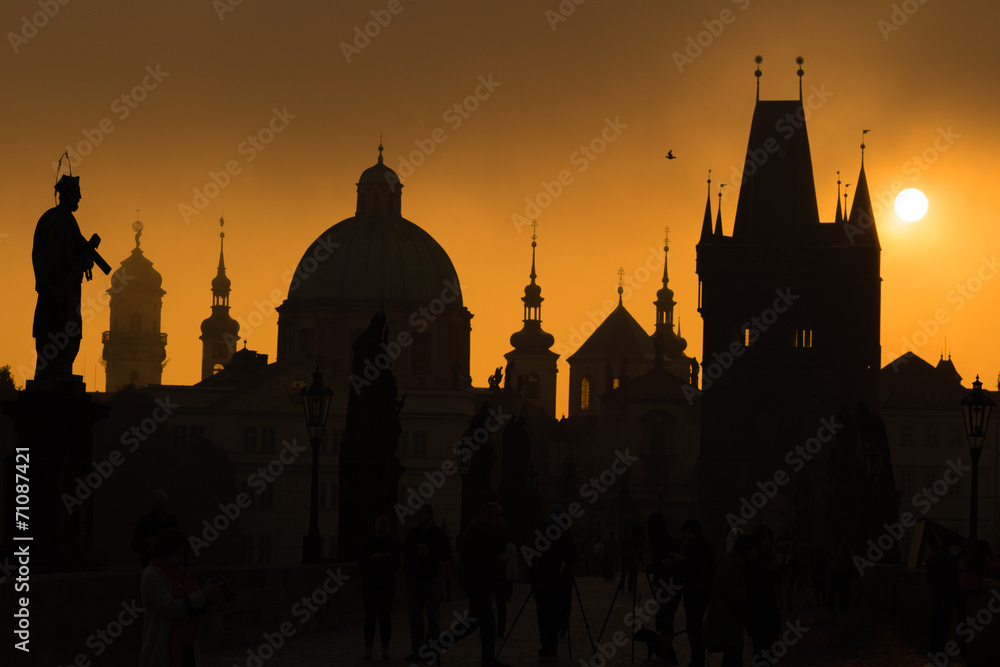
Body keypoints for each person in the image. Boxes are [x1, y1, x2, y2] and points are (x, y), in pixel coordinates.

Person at [32, 174, 95, 381]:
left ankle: (54, 369)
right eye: (77, 194)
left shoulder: (62, 219)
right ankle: (59, 369)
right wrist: (80, 263)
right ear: (66, 194)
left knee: (59, 326)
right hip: (59, 288)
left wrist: (84, 259)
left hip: (58, 288)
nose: (80, 198)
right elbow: (59, 255)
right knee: (64, 326)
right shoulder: (59, 220)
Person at [139, 528, 224, 667]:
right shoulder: (152, 575)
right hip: (163, 652)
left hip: (186, 648)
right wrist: (203, 593)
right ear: (164, 552)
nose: (181, 559)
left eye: (183, 555)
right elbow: (172, 609)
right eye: (177, 554)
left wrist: (212, 601)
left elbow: (193, 612)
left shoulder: (182, 577)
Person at [456, 502, 510, 667]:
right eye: (497, 516)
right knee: (486, 623)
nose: (499, 519)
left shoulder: (478, 530)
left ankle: (439, 645)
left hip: (479, 583)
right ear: (489, 515)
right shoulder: (476, 531)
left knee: (474, 622)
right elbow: (476, 558)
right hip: (477, 583)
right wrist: (498, 559)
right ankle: (487, 659)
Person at [530, 504, 578, 663]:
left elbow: (533, 558)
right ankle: (551, 648)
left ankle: (546, 648)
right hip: (560, 583)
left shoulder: (540, 534)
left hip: (542, 583)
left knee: (543, 616)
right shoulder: (565, 536)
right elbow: (574, 557)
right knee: (558, 615)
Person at [404, 504, 452, 662]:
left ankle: (430, 650)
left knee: (433, 619)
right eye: (418, 513)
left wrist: (430, 553)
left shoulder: (439, 534)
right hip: (415, 580)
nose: (419, 516)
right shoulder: (412, 534)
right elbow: (406, 555)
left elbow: (446, 555)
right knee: (415, 619)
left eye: (422, 514)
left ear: (430, 515)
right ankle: (418, 651)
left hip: (431, 580)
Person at [704, 534, 759, 667]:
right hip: (728, 620)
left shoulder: (732, 560)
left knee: (731, 657)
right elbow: (734, 593)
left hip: (726, 619)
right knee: (733, 657)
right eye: (753, 549)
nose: (755, 553)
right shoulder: (734, 563)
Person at [359, 515, 401, 660]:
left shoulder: (371, 543)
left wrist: (377, 559)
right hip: (377, 585)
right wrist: (374, 559)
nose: (382, 529)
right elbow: (361, 564)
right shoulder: (390, 544)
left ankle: (377, 650)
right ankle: (376, 650)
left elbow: (397, 565)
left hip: (380, 585)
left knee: (381, 618)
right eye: (381, 525)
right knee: (376, 618)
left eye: (384, 526)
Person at [645, 512, 683, 664]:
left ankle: (666, 655)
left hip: (668, 586)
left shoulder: (660, 543)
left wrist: (652, 568)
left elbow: (665, 566)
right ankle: (665, 653)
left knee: (664, 621)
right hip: (672, 586)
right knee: (664, 620)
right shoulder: (670, 541)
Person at [678, 519, 713, 667]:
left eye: (685, 533)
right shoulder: (704, 545)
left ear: (691, 532)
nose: (684, 536)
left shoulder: (697, 546)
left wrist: (683, 560)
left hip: (695, 591)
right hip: (701, 591)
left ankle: (697, 658)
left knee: (694, 625)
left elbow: (698, 565)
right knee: (695, 624)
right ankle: (698, 658)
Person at [746, 525, 785, 658]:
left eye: (768, 540)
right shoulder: (751, 560)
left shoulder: (769, 559)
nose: (765, 544)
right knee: (759, 653)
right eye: (762, 539)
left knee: (769, 654)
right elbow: (754, 583)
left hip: (771, 615)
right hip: (758, 616)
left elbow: (777, 580)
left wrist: (779, 567)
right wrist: (770, 571)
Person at [957, 540, 1000, 653]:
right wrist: (994, 555)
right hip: (973, 591)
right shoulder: (985, 560)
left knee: (962, 620)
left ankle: (961, 647)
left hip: (962, 590)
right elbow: (997, 567)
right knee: (974, 621)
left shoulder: (970, 557)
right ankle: (971, 647)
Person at [926, 534, 961, 655]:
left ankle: (933, 647)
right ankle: (942, 648)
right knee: (945, 622)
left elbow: (929, 576)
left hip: (936, 592)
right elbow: (956, 579)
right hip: (948, 594)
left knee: (935, 620)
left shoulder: (932, 558)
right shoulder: (953, 560)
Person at [132, 490, 180, 568]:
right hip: (150, 565)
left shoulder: (171, 521)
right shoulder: (143, 522)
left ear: (165, 505)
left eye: (159, 506)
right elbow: (135, 545)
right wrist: (148, 544)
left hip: (168, 566)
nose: (157, 509)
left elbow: (178, 542)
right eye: (155, 506)